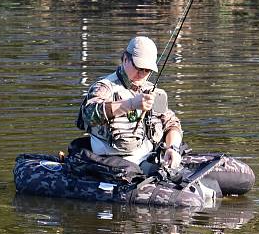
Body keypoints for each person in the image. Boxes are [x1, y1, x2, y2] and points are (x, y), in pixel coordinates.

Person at [77, 36, 183, 174]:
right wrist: (131, 104)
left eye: (147, 70)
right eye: (139, 68)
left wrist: (172, 148)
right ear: (125, 59)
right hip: (114, 162)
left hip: (148, 157)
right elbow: (89, 114)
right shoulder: (104, 87)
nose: (142, 74)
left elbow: (171, 124)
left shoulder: (152, 92)